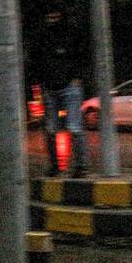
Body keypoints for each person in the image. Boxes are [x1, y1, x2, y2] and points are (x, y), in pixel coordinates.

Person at [34, 10, 86, 178]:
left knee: (73, 126)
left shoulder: (70, 33)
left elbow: (81, 56)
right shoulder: (44, 37)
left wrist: (77, 77)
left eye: (55, 17)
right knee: (52, 128)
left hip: (66, 84)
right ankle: (58, 166)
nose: (52, 20)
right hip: (52, 86)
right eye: (50, 17)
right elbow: (38, 60)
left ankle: (79, 166)